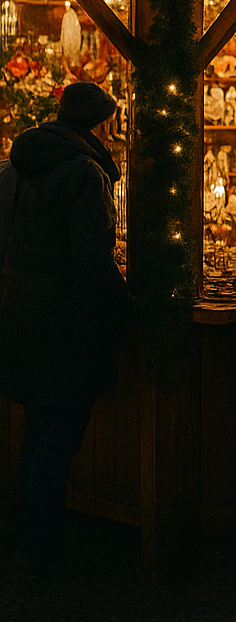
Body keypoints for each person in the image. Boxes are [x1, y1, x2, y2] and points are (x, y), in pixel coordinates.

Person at [0, 83, 132, 577]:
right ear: (100, 124)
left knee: (38, 428)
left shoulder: (16, 166)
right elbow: (92, 259)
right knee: (60, 435)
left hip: (21, 313)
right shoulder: (84, 173)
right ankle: (41, 545)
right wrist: (124, 306)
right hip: (66, 323)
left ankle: (27, 535)